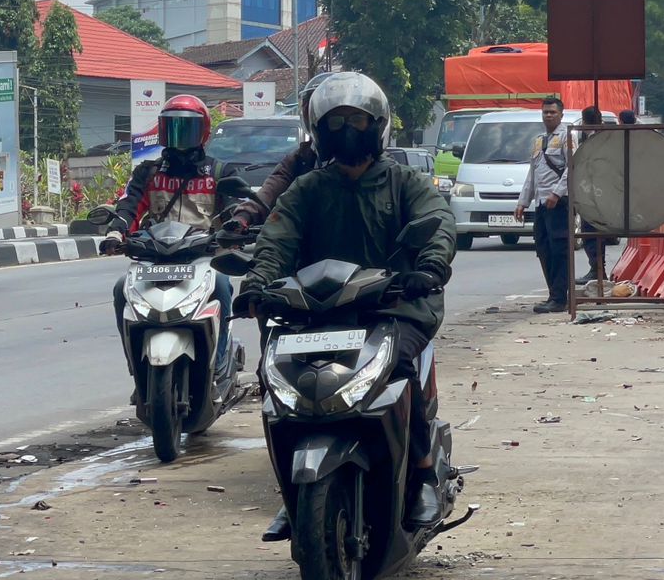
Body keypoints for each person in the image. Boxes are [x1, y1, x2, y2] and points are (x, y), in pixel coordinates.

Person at [239, 72, 456, 537]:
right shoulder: (308, 188)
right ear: (318, 131)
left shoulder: (404, 182)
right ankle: (292, 489)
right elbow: (276, 237)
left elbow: (436, 219)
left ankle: (420, 473)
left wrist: (430, 267)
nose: (346, 132)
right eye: (335, 123)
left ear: (377, 126)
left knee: (398, 370)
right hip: (318, 310)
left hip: (395, 307)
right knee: (275, 379)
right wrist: (257, 283)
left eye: (356, 121)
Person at [102, 95, 241, 375]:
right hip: (155, 257)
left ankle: (221, 364)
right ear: (163, 132)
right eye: (172, 129)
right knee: (120, 290)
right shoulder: (148, 172)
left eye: (186, 129)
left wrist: (235, 228)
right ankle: (136, 367)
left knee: (224, 287)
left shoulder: (219, 172)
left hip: (202, 258)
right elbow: (129, 205)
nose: (179, 138)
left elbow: (233, 210)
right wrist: (116, 232)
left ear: (202, 133)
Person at [232, 71, 334, 229]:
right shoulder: (302, 158)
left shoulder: (378, 169)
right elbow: (271, 190)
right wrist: (243, 216)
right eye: (312, 111)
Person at [514, 97, 572, 313]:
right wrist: (523, 202)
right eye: (545, 112)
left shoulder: (567, 136)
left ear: (561, 115)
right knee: (543, 248)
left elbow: (571, 168)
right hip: (540, 203)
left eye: (552, 112)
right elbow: (533, 173)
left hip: (558, 202)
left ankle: (559, 298)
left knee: (559, 250)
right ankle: (553, 294)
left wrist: (557, 193)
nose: (548, 115)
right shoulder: (539, 140)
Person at [576, 105, 605, 282]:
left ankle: (597, 269)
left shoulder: (592, 140)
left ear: (585, 121)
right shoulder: (606, 137)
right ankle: (598, 269)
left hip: (594, 194)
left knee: (591, 232)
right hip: (601, 192)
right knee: (595, 232)